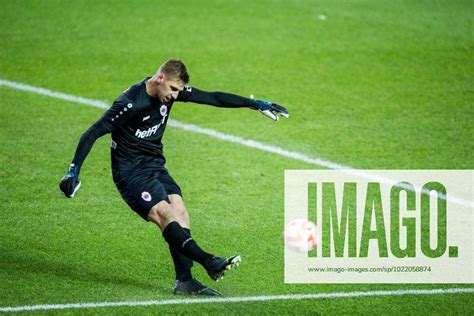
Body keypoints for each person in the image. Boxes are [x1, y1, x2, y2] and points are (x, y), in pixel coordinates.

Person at [59, 59, 289, 296]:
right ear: (160, 78)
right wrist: (73, 171)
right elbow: (93, 132)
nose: (175, 95)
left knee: (180, 212)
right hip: (130, 173)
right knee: (164, 214)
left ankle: (185, 281)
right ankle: (209, 261)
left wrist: (254, 104)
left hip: (155, 165)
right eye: (173, 89)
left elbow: (212, 98)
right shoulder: (129, 103)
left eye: (178, 90)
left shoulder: (170, 92)